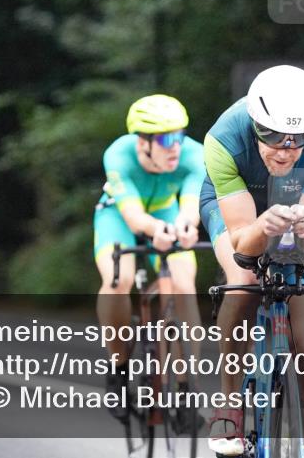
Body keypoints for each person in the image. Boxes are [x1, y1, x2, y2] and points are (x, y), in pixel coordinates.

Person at [200, 65, 304, 457]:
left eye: (299, 140)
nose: (285, 149)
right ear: (254, 122)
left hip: (297, 217)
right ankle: (229, 408)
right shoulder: (224, 136)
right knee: (245, 282)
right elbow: (244, 245)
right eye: (272, 137)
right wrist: (264, 227)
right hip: (236, 209)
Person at [92, 94, 205, 415]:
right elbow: (133, 218)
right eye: (166, 138)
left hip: (166, 211)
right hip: (118, 215)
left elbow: (189, 207)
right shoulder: (118, 154)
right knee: (119, 278)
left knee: (184, 285)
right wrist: (157, 231)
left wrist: (185, 227)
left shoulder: (195, 155)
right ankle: (119, 367)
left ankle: (185, 388)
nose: (176, 147)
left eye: (180, 135)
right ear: (142, 143)